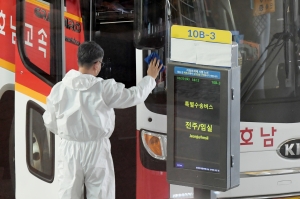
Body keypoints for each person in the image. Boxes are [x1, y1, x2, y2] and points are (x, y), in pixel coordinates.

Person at [42, 41, 162, 199]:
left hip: (69, 149)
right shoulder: (104, 89)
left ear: (79, 61)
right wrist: (150, 78)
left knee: (68, 193)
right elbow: (134, 96)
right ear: (97, 64)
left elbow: (49, 121)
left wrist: (69, 134)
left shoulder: (59, 89)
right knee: (101, 193)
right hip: (97, 148)